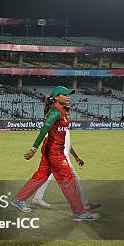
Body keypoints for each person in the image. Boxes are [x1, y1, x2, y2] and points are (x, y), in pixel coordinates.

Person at [11, 86, 100, 221]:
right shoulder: (55, 111)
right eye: (65, 95)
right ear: (57, 97)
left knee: (41, 175)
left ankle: (18, 199)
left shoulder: (60, 110)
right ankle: (80, 213)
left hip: (51, 149)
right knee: (68, 180)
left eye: (69, 94)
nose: (68, 96)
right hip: (55, 152)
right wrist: (33, 148)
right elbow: (44, 128)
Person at [31, 129, 99, 211]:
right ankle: (82, 205)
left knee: (49, 177)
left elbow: (68, 146)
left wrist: (76, 157)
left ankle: (37, 198)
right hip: (59, 159)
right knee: (72, 179)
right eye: (66, 115)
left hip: (63, 159)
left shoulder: (65, 129)